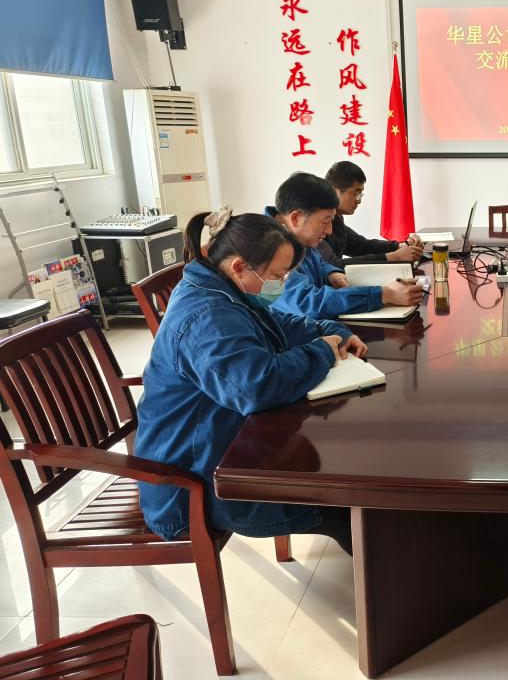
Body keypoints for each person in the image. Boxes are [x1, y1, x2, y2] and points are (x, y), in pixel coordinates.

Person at [135, 209, 367, 552]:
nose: (281, 284)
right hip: (194, 482)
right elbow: (256, 387)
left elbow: (278, 325)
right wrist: (321, 352)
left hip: (227, 445)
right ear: (240, 266)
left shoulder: (225, 288)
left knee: (343, 474)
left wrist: (328, 329)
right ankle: (390, 577)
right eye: (277, 275)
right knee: (347, 501)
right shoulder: (206, 316)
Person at [266, 172, 422, 321]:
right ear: (296, 218)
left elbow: (320, 263)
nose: (329, 231)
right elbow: (307, 303)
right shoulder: (267, 250)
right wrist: (383, 295)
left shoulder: (297, 235)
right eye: (325, 221)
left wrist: (331, 273)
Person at [319, 160, 424, 269]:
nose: (359, 201)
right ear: (335, 191)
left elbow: (361, 245)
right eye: (355, 193)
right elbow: (333, 265)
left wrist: (400, 245)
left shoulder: (337, 219)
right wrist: (393, 257)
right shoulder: (317, 223)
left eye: (360, 194)